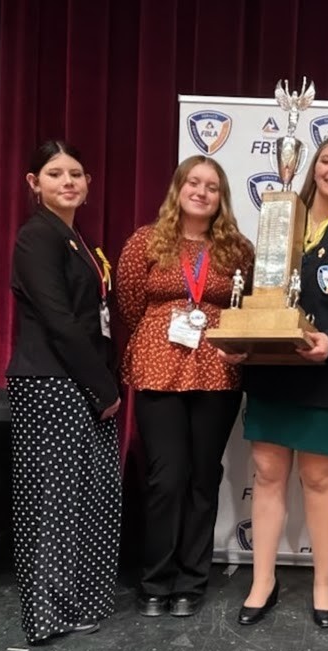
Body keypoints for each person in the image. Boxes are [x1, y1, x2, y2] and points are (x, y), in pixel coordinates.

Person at [236, 135, 328, 628]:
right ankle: (262, 581)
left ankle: (323, 583)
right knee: (268, 475)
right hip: (272, 367)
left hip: (323, 370)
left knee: (318, 478)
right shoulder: (278, 217)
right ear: (312, 167)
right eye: (327, 161)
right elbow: (259, 289)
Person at [116, 155, 254, 618]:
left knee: (202, 477)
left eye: (212, 186)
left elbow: (248, 309)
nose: (201, 191)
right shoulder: (146, 242)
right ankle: (155, 580)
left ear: (222, 197)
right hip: (159, 368)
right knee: (165, 478)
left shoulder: (238, 249)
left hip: (217, 372)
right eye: (193, 182)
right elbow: (131, 305)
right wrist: (157, 339)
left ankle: (191, 583)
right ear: (178, 189)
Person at [5, 140, 121, 645]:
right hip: (52, 383)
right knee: (51, 503)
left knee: (89, 497)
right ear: (34, 183)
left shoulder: (77, 240)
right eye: (55, 174)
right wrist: (104, 388)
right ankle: (47, 614)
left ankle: (80, 601)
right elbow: (58, 320)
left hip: (82, 381)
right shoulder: (37, 238)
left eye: (75, 173)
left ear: (88, 183)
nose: (68, 182)